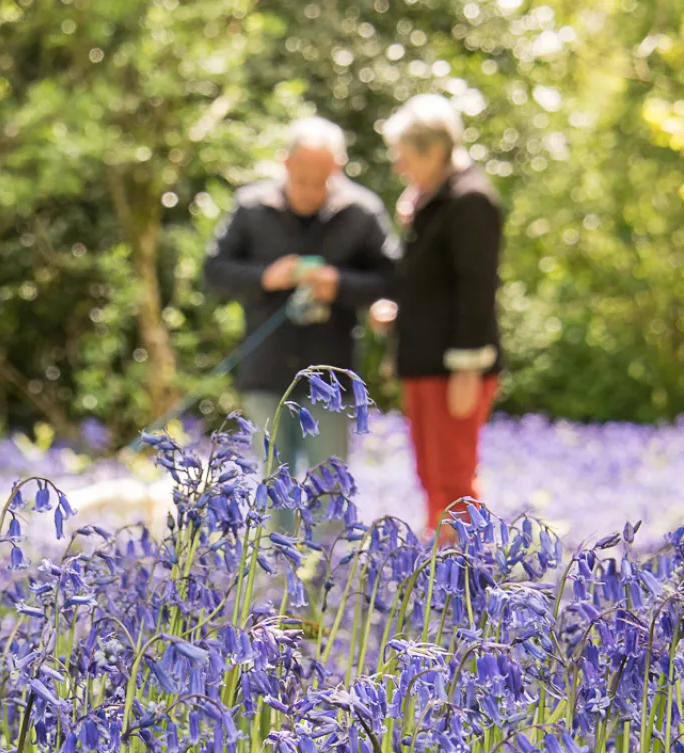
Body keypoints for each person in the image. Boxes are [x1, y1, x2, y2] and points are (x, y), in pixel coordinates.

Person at [202, 117, 400, 537]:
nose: (311, 190)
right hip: (267, 370)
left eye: (322, 180)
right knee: (274, 485)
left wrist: (340, 285)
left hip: (331, 374)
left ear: (340, 167)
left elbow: (393, 279)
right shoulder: (251, 206)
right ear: (283, 162)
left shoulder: (362, 211)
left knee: (330, 491)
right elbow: (213, 271)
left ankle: (324, 588)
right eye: (302, 178)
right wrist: (264, 278)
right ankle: (276, 585)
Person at [369, 93, 502, 535]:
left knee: (453, 479)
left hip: (454, 367)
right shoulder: (431, 200)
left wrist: (468, 368)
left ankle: (462, 576)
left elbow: (477, 287)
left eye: (404, 157)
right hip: (424, 359)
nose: (398, 168)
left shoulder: (471, 199)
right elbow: (426, 278)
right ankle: (439, 574)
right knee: (431, 477)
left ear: (436, 151)